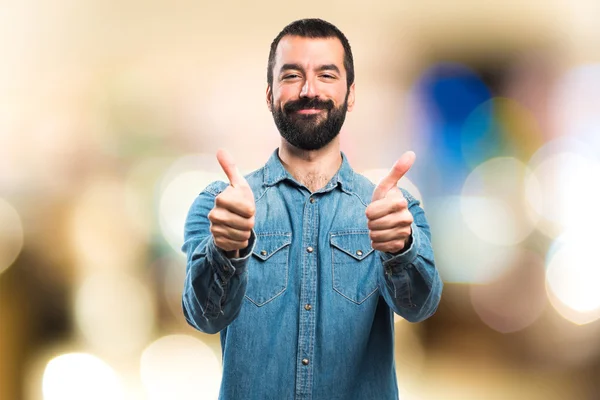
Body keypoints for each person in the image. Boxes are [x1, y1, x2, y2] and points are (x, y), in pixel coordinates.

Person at [182, 18, 443, 400]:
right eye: (291, 75)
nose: (309, 90)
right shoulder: (220, 207)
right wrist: (226, 250)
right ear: (269, 94)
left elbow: (420, 308)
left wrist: (401, 249)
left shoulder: (393, 211)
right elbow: (205, 317)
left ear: (350, 94)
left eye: (326, 74)